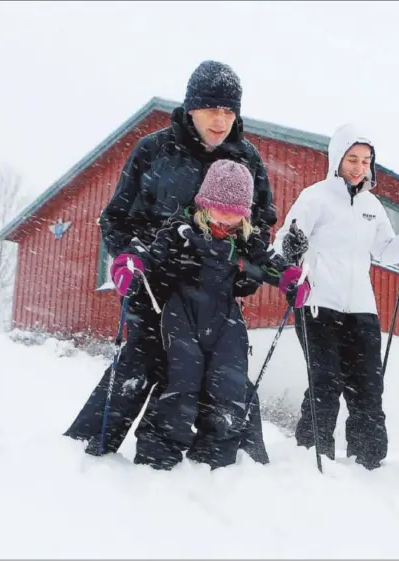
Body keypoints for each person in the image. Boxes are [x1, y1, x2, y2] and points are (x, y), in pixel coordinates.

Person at [63, 60, 277, 462]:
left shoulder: (247, 158)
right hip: (157, 287)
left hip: (214, 294)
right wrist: (128, 258)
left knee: (228, 381)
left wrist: (245, 274)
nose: (220, 120)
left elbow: (261, 222)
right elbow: (117, 218)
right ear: (191, 107)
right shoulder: (154, 150)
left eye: (229, 111)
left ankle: (238, 468)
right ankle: (85, 455)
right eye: (212, 108)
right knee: (136, 368)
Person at [125, 160, 309, 470]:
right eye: (219, 206)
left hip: (225, 315)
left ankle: (214, 460)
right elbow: (150, 256)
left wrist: (290, 277)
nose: (227, 214)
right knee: (183, 379)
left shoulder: (246, 239)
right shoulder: (181, 229)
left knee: (230, 385)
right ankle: (157, 456)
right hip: (182, 310)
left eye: (236, 209)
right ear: (204, 203)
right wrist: (132, 265)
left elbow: (268, 262)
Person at [273, 123, 399, 470]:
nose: (360, 167)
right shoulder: (315, 197)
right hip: (318, 305)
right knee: (325, 382)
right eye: (353, 158)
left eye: (366, 160)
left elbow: (387, 250)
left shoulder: (373, 205)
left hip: (361, 309)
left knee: (368, 388)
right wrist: (291, 250)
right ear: (338, 158)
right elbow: (283, 242)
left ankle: (368, 463)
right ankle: (313, 458)